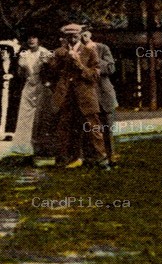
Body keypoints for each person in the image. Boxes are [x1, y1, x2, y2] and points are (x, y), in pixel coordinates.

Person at [47, 23, 107, 169]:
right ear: (65, 38)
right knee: (64, 128)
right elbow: (52, 73)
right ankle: (64, 158)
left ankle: (101, 158)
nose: (72, 40)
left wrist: (79, 64)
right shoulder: (59, 52)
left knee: (93, 128)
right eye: (69, 37)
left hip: (85, 96)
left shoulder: (90, 52)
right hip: (66, 97)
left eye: (75, 36)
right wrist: (55, 62)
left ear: (80, 35)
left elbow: (94, 75)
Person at [9, 33, 53, 157]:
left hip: (42, 86)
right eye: (29, 37)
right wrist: (22, 67)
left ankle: (41, 147)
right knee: (25, 116)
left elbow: (51, 72)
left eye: (34, 37)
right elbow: (20, 75)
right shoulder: (24, 54)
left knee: (41, 116)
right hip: (29, 87)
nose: (31, 40)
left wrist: (46, 64)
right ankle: (24, 146)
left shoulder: (45, 53)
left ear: (39, 39)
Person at [82, 27, 118, 164]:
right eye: (80, 35)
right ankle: (92, 157)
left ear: (90, 34)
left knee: (107, 128)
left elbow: (110, 68)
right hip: (86, 95)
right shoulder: (76, 51)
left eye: (85, 34)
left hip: (103, 95)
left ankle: (110, 156)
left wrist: (94, 53)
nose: (83, 38)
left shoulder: (102, 48)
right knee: (88, 128)